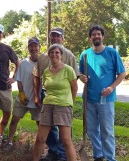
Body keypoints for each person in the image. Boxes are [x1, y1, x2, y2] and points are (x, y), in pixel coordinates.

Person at [79, 25, 126, 161]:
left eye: (99, 34)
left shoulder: (111, 53)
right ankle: (98, 155)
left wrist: (111, 87)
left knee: (107, 131)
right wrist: (82, 77)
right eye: (93, 34)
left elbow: (122, 73)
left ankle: (110, 158)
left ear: (103, 36)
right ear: (90, 38)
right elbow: (81, 74)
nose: (96, 36)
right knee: (92, 130)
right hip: (89, 99)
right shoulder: (85, 54)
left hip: (106, 99)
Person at [33, 27, 80, 161]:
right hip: (47, 105)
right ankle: (47, 155)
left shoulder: (68, 68)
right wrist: (37, 96)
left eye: (57, 53)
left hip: (63, 105)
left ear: (61, 55)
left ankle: (65, 157)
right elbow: (38, 79)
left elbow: (74, 87)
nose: (54, 55)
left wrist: (70, 102)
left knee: (65, 139)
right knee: (40, 138)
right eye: (52, 53)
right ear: (49, 54)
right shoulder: (46, 70)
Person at [3, 37, 41, 150]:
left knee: (40, 124)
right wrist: (21, 94)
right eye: (31, 46)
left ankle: (39, 147)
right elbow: (19, 80)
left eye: (35, 46)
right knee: (14, 120)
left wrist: (39, 97)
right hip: (23, 99)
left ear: (39, 47)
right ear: (28, 48)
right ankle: (9, 142)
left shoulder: (44, 62)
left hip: (37, 100)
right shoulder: (24, 63)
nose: (33, 48)